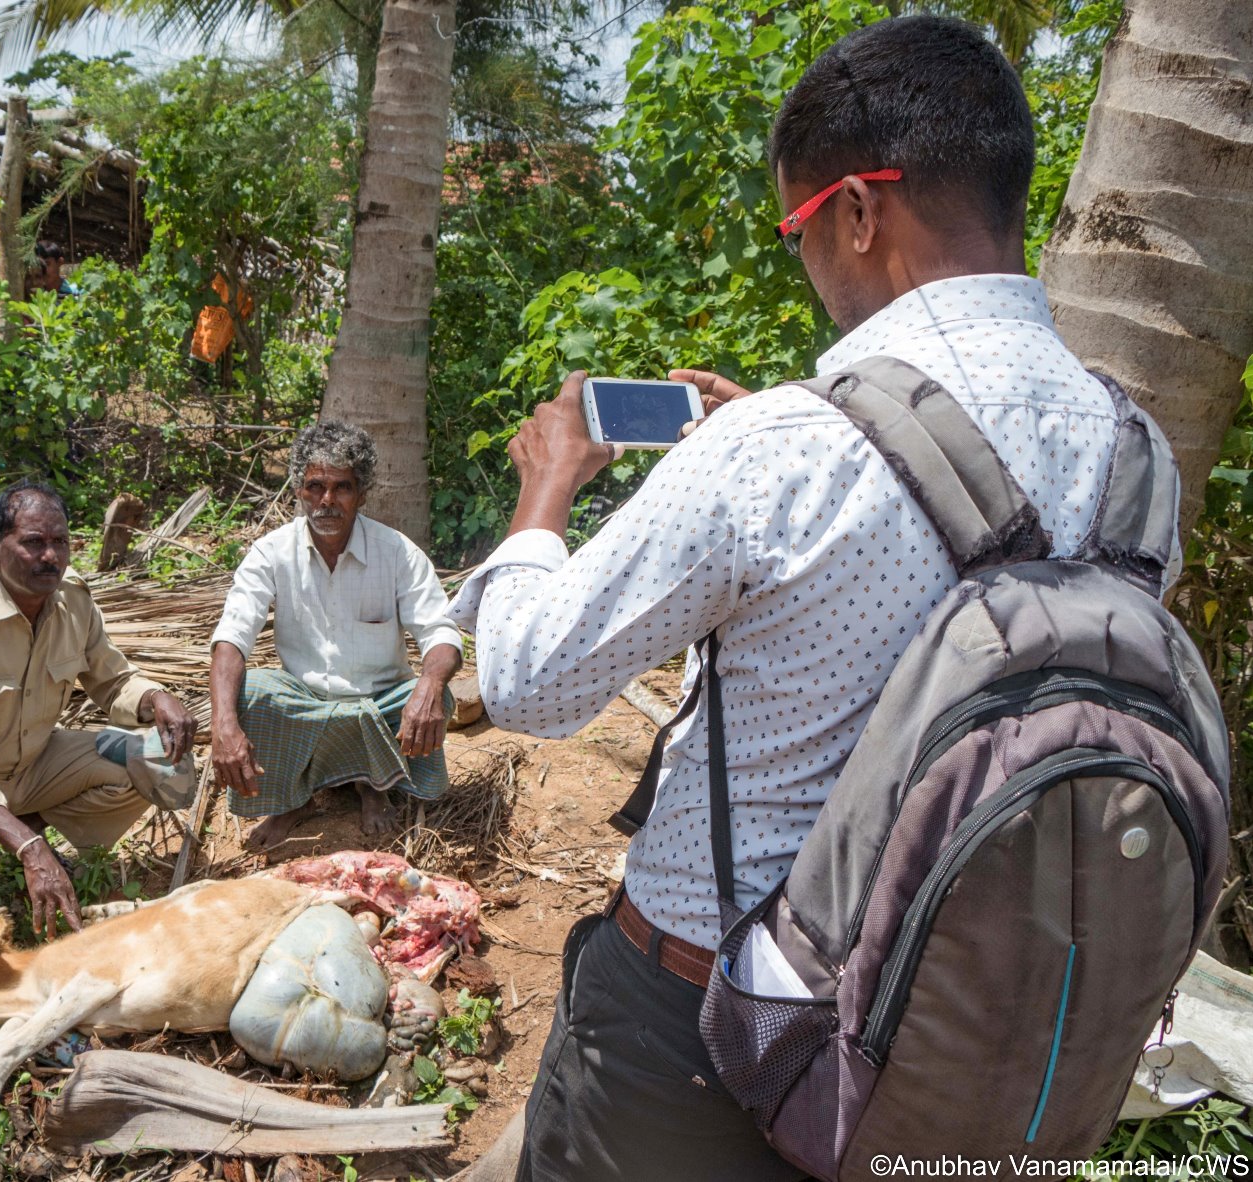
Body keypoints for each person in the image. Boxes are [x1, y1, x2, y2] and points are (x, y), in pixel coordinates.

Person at [447, 16, 1177, 1180]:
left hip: (710, 1044)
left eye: (797, 229)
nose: (809, 259)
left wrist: (541, 505)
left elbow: (532, 685)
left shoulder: (783, 448)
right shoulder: (1137, 454)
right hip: (963, 1035)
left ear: (856, 209)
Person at [0, 480, 197, 934]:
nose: (51, 557)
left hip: (36, 762)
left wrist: (156, 697)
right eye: (34, 543)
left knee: (157, 766)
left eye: (61, 542)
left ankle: (29, 826)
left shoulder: (74, 602)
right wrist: (30, 848)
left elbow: (112, 679)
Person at [209, 422, 463, 852]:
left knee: (431, 698)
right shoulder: (271, 553)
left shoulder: (397, 552)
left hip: (379, 705)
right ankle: (293, 800)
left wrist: (431, 684)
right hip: (304, 706)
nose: (327, 501)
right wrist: (222, 724)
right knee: (249, 693)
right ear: (298, 490)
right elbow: (232, 637)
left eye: (342, 487)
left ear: (362, 493)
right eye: (315, 486)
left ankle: (370, 785)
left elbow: (440, 632)